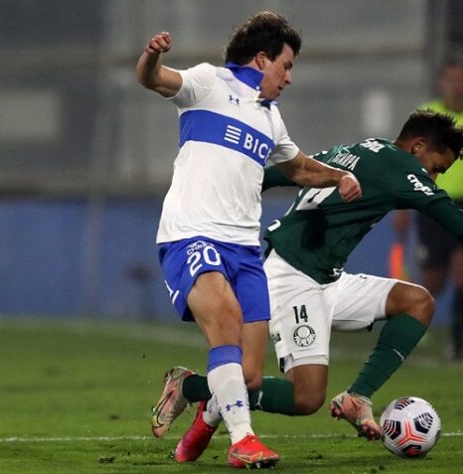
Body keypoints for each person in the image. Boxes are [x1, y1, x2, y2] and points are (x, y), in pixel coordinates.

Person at [158, 111, 463, 462]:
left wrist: (241, 190)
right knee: (306, 398)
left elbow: (286, 171)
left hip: (327, 277)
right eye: (436, 166)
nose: (433, 178)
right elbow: (453, 219)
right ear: (418, 146)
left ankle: (356, 398)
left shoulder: (362, 150)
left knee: (417, 302)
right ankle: (193, 387)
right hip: (293, 279)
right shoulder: (401, 168)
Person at [136, 11, 362, 469]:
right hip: (191, 234)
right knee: (226, 321)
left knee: (251, 377)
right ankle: (243, 441)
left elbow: (298, 167)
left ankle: (198, 403)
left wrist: (339, 177)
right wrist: (151, 56)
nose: (289, 77)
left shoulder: (270, 119)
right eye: (287, 65)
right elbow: (154, 79)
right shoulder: (208, 83)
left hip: (244, 248)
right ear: (262, 59)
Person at [393, 57, 463, 360]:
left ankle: (457, 343)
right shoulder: (426, 118)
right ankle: (403, 326)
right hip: (431, 204)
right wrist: (401, 207)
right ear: (442, 83)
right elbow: (405, 163)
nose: (457, 85)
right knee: (434, 281)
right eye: (451, 79)